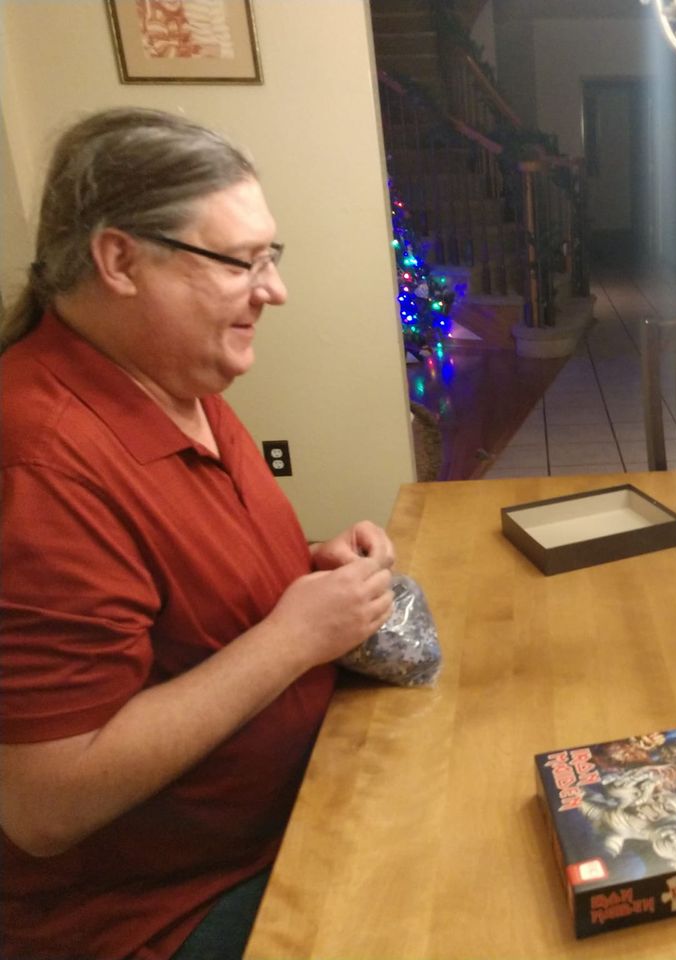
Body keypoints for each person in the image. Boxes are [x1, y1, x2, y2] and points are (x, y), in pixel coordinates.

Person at [0, 107, 396, 959]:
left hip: (294, 807)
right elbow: (44, 803)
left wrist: (309, 569)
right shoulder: (39, 463)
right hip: (169, 910)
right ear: (119, 261)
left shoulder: (179, 384)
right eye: (240, 261)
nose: (274, 290)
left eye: (270, 256)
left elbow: (180, 599)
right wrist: (295, 636)